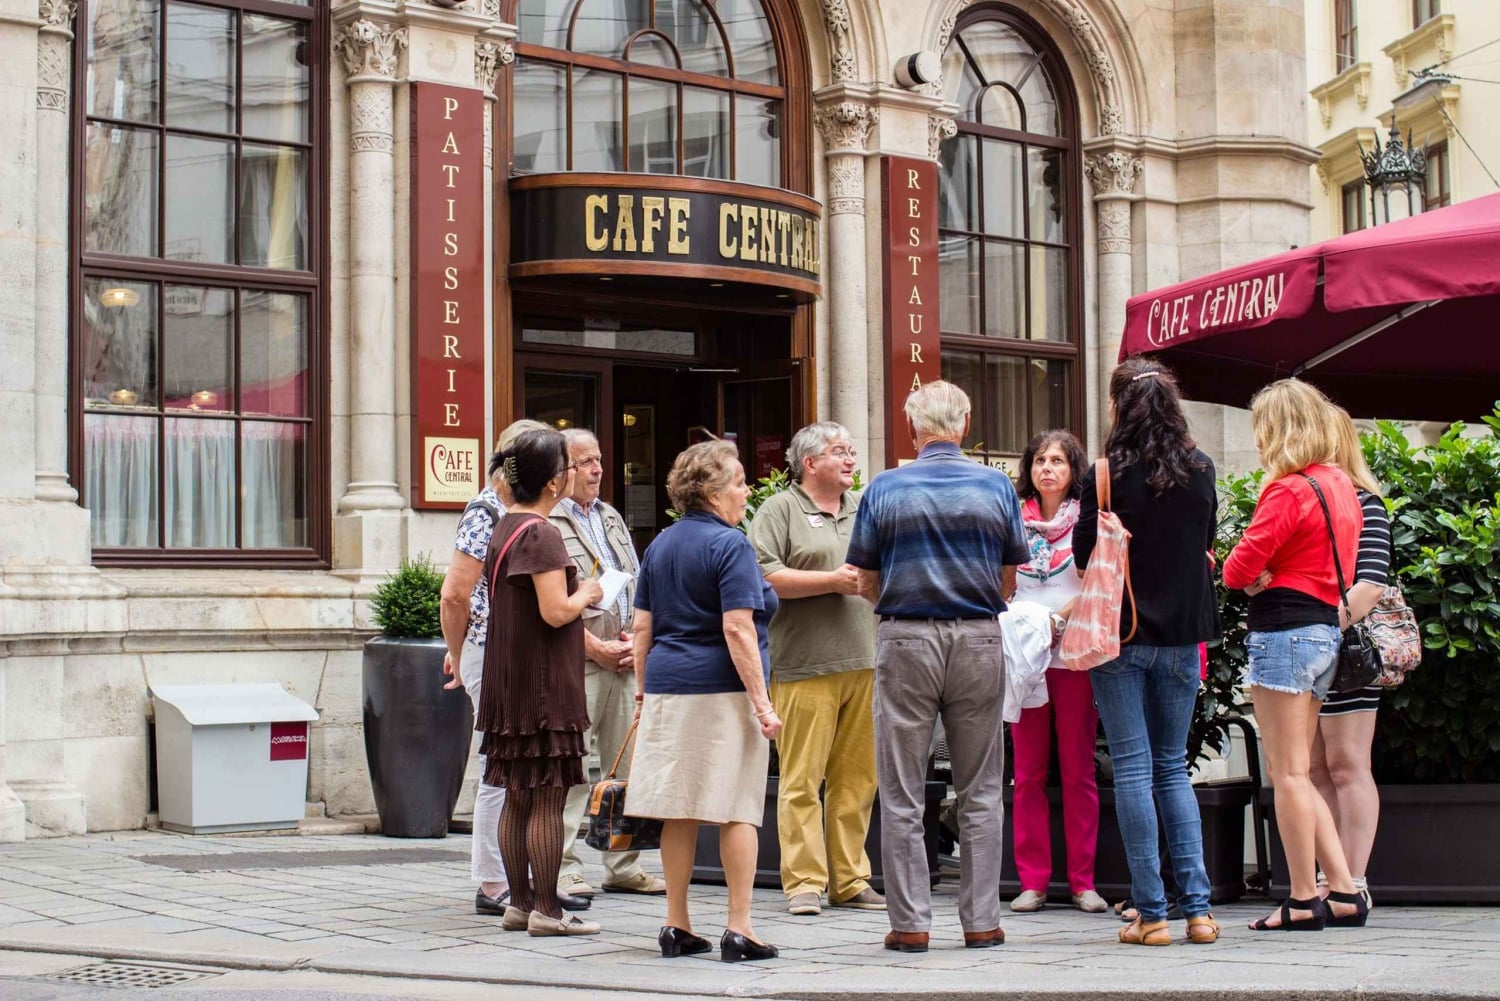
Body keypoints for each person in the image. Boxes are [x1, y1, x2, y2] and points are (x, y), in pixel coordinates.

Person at [845, 380, 1027, 954]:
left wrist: (905, 607)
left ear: (911, 430)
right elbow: (1009, 578)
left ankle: (910, 923)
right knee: (981, 787)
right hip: (977, 637)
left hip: (906, 638)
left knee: (900, 790)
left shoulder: (884, 487)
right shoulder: (996, 485)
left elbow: (865, 580)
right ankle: (981, 922)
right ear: (965, 423)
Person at [1073, 358, 1221, 947]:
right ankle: (1200, 913)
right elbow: (1206, 543)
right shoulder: (1203, 468)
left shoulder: (1108, 475)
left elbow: (1086, 555)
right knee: (1171, 768)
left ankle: (1152, 914)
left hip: (1121, 634)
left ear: (1117, 410)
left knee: (1133, 769)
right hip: (1184, 636)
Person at [625, 439, 784, 963]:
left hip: (669, 684)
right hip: (722, 688)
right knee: (738, 808)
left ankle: (677, 924)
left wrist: (645, 692)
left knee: (678, 809)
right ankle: (740, 928)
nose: (746, 491)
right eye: (739, 482)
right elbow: (738, 627)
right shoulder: (731, 545)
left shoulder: (660, 544)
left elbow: (642, 627)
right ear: (714, 492)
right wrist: (762, 704)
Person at [1224, 378, 1369, 932]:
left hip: (1283, 633)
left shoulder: (1287, 489)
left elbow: (1237, 568)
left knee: (1286, 774)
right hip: (1322, 632)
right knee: (1302, 771)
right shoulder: (1339, 484)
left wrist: (1260, 577)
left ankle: (1304, 897)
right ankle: (1347, 891)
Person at [439, 418, 585, 915]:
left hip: (505, 650)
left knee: (515, 774)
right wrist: (458, 654)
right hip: (504, 653)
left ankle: (524, 886)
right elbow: (456, 593)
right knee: (509, 774)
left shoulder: (510, 517)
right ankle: (497, 883)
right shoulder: (493, 514)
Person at [747, 422, 882, 917]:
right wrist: (831, 581)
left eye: (851, 451)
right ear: (809, 463)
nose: (850, 459)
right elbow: (762, 575)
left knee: (857, 779)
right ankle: (804, 881)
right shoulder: (780, 508)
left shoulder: (863, 507)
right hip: (804, 665)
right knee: (802, 780)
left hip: (865, 661)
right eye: (839, 452)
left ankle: (850, 878)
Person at [477, 428, 605, 937]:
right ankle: (549, 911)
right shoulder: (542, 532)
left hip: (510, 679)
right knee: (547, 795)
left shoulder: (506, 524)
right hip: (544, 684)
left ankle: (520, 902)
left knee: (517, 795)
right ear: (556, 481)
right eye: (571, 467)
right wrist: (588, 592)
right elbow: (556, 612)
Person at [552, 428, 666, 899]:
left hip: (622, 657)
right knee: (575, 769)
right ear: (562, 471)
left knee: (626, 766)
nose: (597, 470)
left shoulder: (611, 516)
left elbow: (632, 582)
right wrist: (592, 646)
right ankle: (562, 867)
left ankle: (622, 863)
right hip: (578, 661)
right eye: (585, 462)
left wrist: (633, 639)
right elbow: (550, 604)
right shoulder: (550, 521)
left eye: (599, 461)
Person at [1004, 429, 1106, 915]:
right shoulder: (1011, 519)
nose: (1047, 468)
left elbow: (1099, 582)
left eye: (1059, 461)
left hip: (1072, 655)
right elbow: (999, 583)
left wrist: (1058, 620)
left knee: (1078, 768)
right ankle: (1033, 882)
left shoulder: (1086, 521)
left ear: (1074, 471)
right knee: (1026, 773)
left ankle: (1084, 882)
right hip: (1025, 658)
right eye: (1040, 459)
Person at [1309, 407, 1390, 911]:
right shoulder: (1306, 500)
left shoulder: (1366, 503)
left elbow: (1372, 583)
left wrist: (1318, 626)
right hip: (1308, 651)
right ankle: (1328, 876)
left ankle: (1353, 880)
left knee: (1347, 766)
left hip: (1347, 650)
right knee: (1313, 769)